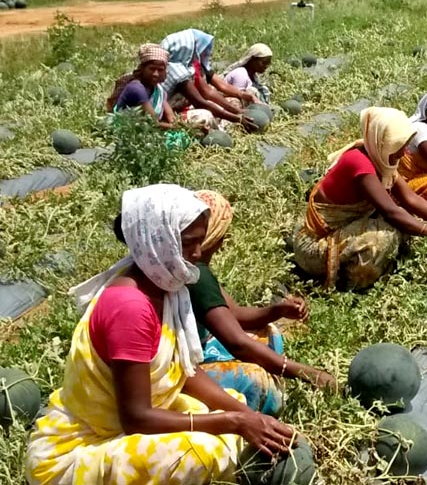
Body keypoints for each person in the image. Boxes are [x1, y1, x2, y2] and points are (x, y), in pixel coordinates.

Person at [26, 185, 296, 485]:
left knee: (232, 400)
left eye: (200, 241)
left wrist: (244, 414)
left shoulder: (166, 286)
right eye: (188, 243)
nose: (197, 253)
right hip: (87, 444)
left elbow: (184, 373)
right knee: (201, 452)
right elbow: (136, 418)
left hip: (136, 421)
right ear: (159, 242)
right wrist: (233, 421)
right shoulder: (130, 307)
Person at [111, 189, 336, 415]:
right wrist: (307, 373)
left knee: (269, 335)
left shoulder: (174, 269)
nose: (220, 244)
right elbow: (236, 342)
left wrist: (277, 310)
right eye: (192, 240)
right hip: (156, 385)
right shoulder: (166, 285)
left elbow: (233, 313)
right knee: (259, 382)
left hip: (181, 363)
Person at [293, 106, 427, 290]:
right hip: (314, 247)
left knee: (406, 226)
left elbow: (410, 199)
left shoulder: (380, 158)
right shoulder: (359, 164)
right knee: (384, 238)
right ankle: (346, 283)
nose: (402, 153)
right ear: (382, 141)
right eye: (397, 147)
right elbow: (392, 212)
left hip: (344, 227)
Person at [160, 28, 256, 131]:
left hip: (186, 107)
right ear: (188, 49)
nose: (205, 51)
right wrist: (237, 117)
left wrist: (239, 100)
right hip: (174, 114)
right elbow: (202, 99)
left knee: (230, 103)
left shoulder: (193, 66)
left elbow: (215, 87)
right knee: (206, 115)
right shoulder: (178, 73)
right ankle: (219, 132)